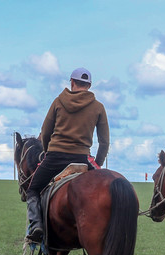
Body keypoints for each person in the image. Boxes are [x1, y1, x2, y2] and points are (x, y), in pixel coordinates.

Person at [25, 67, 110, 243]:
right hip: (82, 159)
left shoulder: (58, 102)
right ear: (89, 85)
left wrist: (48, 151)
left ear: (72, 82)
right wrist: (98, 163)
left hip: (55, 156)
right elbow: (104, 142)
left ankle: (36, 226)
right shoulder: (99, 107)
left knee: (32, 189)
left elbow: (45, 131)